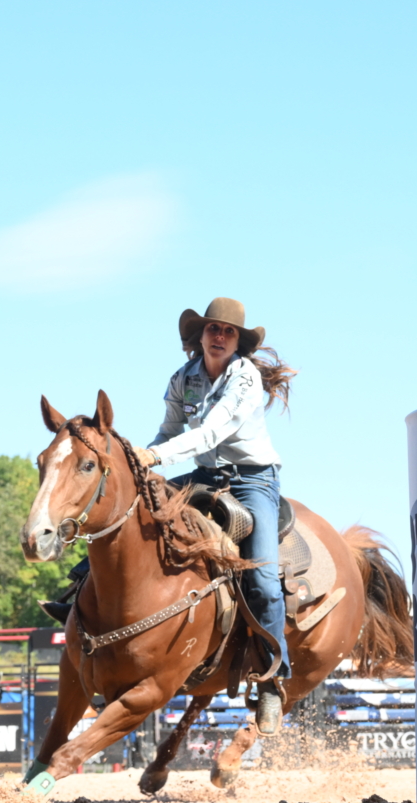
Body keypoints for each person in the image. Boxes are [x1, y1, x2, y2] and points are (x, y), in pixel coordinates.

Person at [134, 297, 296, 735]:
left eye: (228, 331)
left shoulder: (245, 379)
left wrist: (152, 456)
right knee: (137, 515)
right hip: (203, 473)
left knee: (262, 579)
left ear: (238, 341)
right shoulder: (181, 379)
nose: (220, 336)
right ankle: (82, 595)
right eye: (213, 329)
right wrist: (145, 458)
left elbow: (209, 432)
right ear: (201, 335)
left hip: (253, 481)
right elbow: (168, 430)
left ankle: (271, 683)